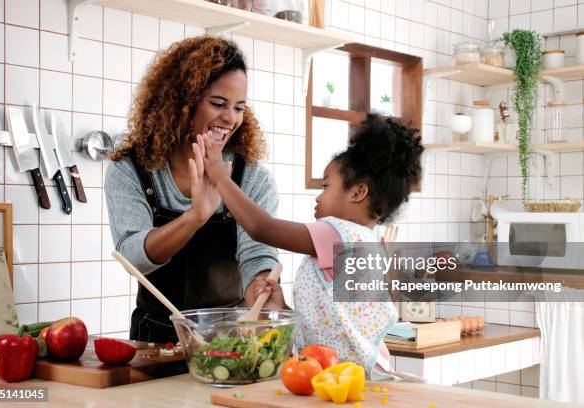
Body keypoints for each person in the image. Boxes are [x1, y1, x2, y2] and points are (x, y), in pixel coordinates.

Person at [196, 114, 424, 377]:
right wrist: (282, 309)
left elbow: (261, 228)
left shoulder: (338, 235)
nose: (318, 197)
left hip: (351, 373)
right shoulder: (365, 241)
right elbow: (330, 323)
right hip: (355, 370)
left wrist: (220, 178)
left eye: (326, 186)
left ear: (357, 193)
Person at [104, 36, 280, 344]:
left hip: (231, 340)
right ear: (181, 103)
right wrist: (195, 216)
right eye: (218, 104)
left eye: (239, 107)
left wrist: (262, 292)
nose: (230, 118)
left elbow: (256, 254)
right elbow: (132, 257)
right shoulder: (131, 169)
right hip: (155, 340)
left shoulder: (251, 177)